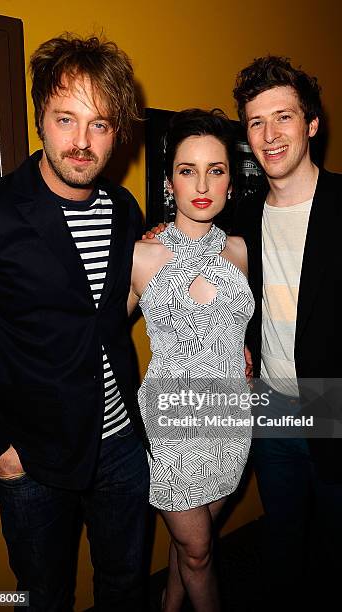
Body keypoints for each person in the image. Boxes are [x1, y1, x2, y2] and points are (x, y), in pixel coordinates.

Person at [0, 34, 150, 611]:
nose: (81, 142)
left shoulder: (123, 209)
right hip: (33, 456)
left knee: (124, 583)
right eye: (66, 119)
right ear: (40, 117)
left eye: (99, 124)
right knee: (42, 596)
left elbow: (108, 312)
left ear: (116, 131)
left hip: (121, 443)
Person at [232, 56, 342, 602]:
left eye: (283, 117)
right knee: (280, 549)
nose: (270, 134)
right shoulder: (244, 217)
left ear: (311, 124)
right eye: (256, 122)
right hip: (274, 414)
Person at [129, 109, 254, 612]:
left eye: (216, 170)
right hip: (173, 425)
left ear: (230, 180)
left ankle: (168, 602)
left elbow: (256, 324)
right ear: (168, 182)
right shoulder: (141, 255)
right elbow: (96, 338)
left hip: (230, 421)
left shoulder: (243, 250)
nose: (202, 183)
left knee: (189, 547)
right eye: (187, 170)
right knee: (200, 550)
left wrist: (244, 351)